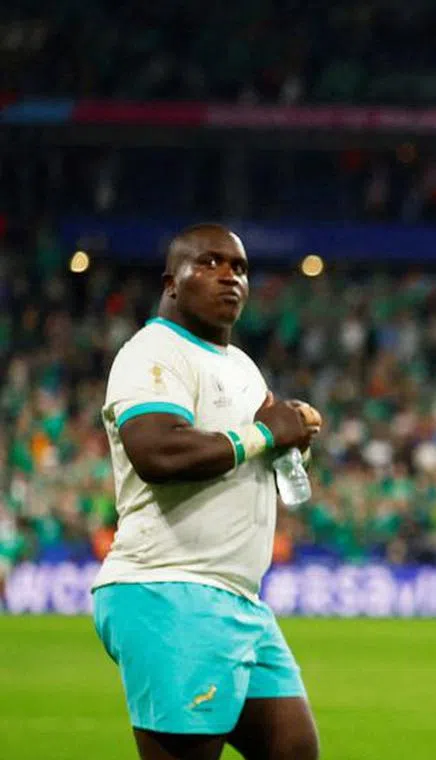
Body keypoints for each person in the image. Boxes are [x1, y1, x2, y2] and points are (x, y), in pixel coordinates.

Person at [92, 223, 323, 760]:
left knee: (295, 750)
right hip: (170, 587)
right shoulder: (154, 351)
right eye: (210, 263)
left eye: (239, 267)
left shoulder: (241, 367)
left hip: (238, 598)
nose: (229, 276)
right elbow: (158, 452)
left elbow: (259, 454)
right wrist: (264, 433)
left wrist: (292, 442)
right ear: (171, 283)